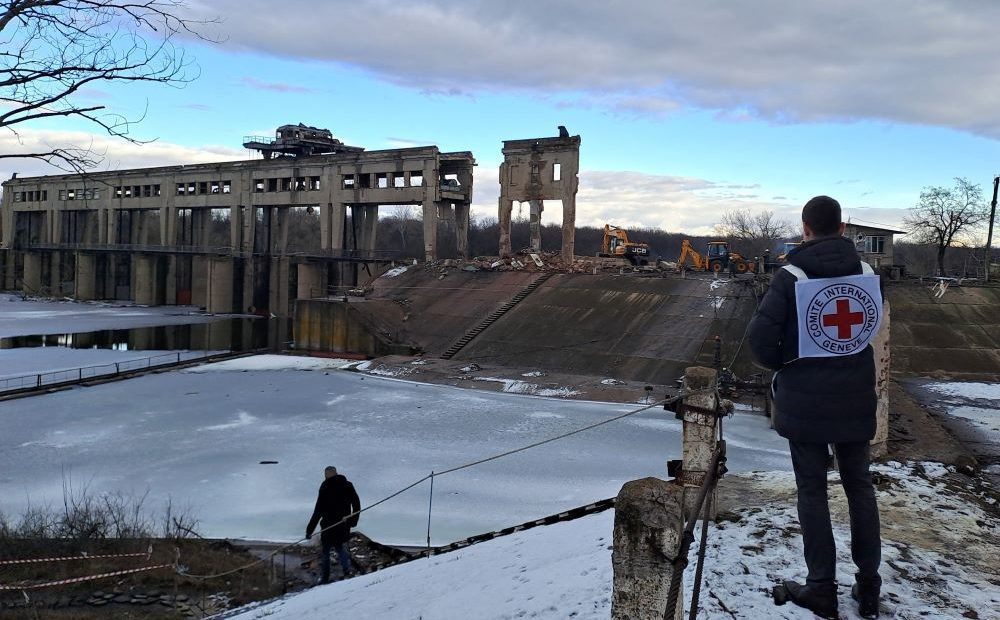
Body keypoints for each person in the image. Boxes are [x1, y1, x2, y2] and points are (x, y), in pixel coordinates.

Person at [748, 196, 882, 619]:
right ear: (843, 229)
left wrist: (788, 366)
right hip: (857, 398)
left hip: (805, 402)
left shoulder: (791, 276)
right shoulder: (866, 272)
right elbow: (866, 327)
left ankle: (821, 588)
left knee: (812, 489)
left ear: (804, 228)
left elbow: (760, 344)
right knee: (859, 485)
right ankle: (869, 585)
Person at [306, 466, 361, 584]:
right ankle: (347, 572)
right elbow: (356, 503)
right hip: (343, 524)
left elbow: (318, 511)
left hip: (329, 526)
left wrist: (309, 530)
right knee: (340, 547)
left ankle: (325, 578)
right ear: (336, 473)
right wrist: (353, 520)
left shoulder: (325, 487)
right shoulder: (347, 485)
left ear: (326, 475)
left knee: (326, 551)